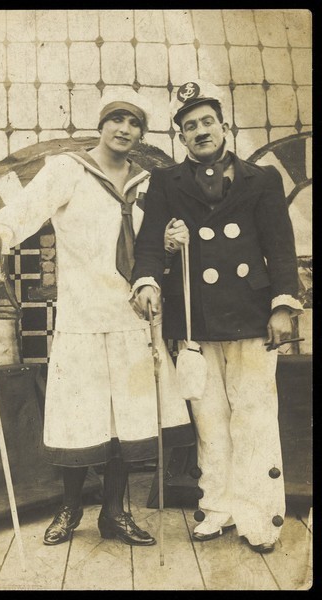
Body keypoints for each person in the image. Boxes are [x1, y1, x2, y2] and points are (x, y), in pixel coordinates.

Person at [0, 88, 195, 547]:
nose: (124, 129)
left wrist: (172, 243)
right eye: (117, 119)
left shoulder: (149, 183)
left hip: (133, 319)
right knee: (79, 418)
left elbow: (153, 241)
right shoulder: (68, 170)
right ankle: (70, 509)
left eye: (134, 123)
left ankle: (115, 512)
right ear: (102, 123)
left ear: (142, 132)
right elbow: (23, 213)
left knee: (125, 422)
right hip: (83, 318)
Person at [130, 79, 303, 554]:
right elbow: (147, 246)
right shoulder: (165, 183)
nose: (200, 131)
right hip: (194, 319)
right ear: (180, 138)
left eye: (207, 122)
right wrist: (147, 280)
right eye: (190, 127)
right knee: (210, 420)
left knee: (254, 415)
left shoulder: (261, 179)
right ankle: (218, 508)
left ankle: (260, 518)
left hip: (251, 314)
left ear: (224, 126)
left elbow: (280, 249)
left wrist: (284, 304)